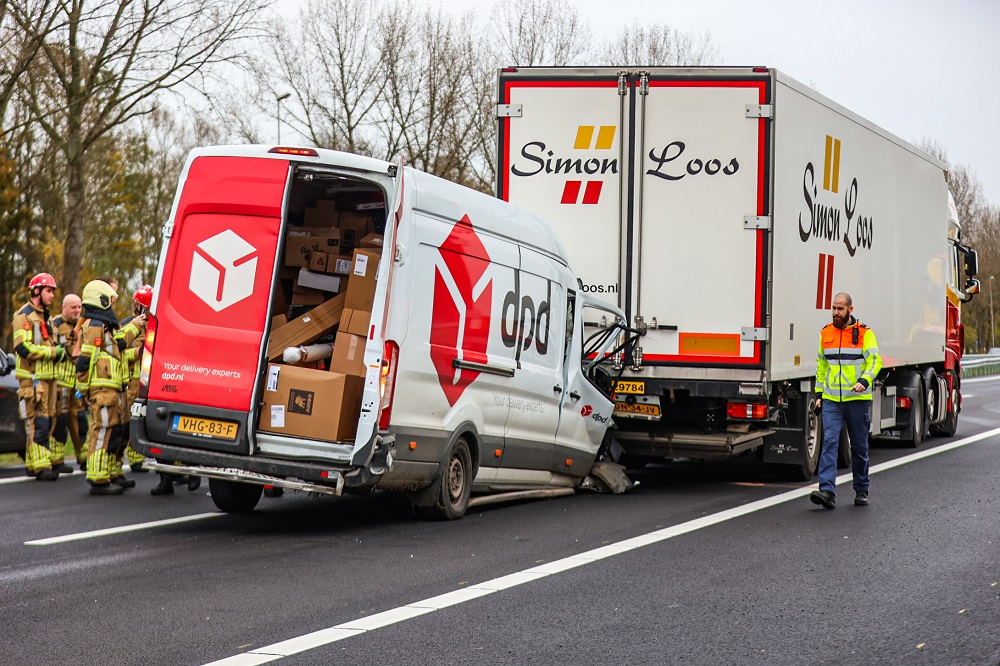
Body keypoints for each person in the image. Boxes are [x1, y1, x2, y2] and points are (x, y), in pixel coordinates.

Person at [810, 292, 882, 509]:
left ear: (850, 309)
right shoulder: (826, 333)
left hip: (857, 399)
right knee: (829, 443)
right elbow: (822, 365)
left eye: (840, 308)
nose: (835, 312)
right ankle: (827, 492)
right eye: (833, 308)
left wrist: (864, 380)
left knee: (859, 447)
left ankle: (861, 489)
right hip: (832, 400)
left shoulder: (864, 334)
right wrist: (819, 394)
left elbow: (875, 362)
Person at [76, 280, 145, 495]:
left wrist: (135, 324)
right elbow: (85, 360)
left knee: (112, 431)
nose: (113, 304)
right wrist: (83, 389)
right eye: (111, 299)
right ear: (101, 299)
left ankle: (107, 473)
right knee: (101, 430)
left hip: (111, 388)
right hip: (102, 388)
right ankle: (98, 478)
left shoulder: (103, 324)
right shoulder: (95, 325)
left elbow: (118, 344)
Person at [12, 273, 70, 480]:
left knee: (50, 421)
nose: (52, 295)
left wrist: (61, 350)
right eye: (49, 291)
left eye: (53, 291)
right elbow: (22, 347)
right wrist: (53, 353)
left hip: (50, 378)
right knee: (39, 423)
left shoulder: (47, 317)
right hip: (33, 378)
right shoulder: (24, 315)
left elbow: (53, 343)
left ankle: (35, 463)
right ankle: (40, 466)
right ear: (36, 291)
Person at [50, 293, 89, 471]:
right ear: (63, 308)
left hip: (76, 383)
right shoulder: (55, 325)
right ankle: (56, 460)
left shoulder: (81, 325)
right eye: (73, 307)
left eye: (79, 307)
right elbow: (66, 352)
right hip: (61, 383)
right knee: (60, 420)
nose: (77, 310)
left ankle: (84, 457)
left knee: (80, 418)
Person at [120, 285, 152, 475]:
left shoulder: (156, 324)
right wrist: (138, 352)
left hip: (153, 381)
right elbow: (117, 352)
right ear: (139, 307)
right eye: (147, 308)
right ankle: (135, 459)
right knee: (133, 418)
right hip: (133, 381)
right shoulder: (127, 325)